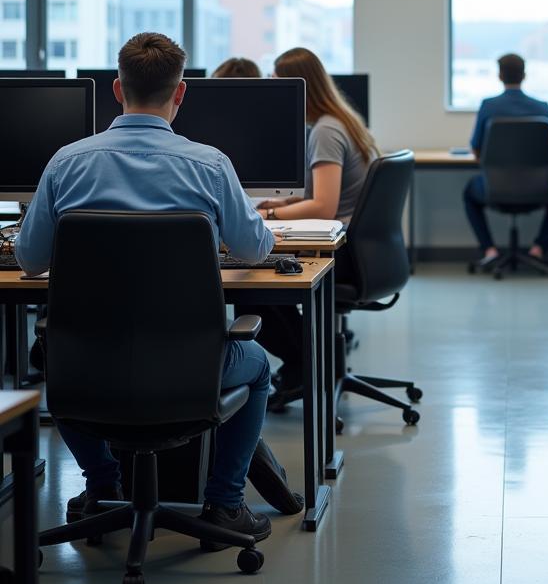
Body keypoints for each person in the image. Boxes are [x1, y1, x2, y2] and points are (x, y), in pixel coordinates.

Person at [15, 33, 275, 545]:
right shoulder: (210, 165)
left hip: (89, 364)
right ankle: (224, 504)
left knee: (49, 352)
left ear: (117, 89)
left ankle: (102, 486)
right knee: (260, 365)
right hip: (191, 368)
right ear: (180, 94)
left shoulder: (66, 162)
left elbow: (29, 260)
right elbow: (255, 251)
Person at [237, 46, 378, 408]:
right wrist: (281, 204)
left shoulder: (326, 132)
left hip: (344, 253)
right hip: (361, 248)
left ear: (299, 89)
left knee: (251, 286)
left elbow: (324, 206)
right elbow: (321, 195)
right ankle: (311, 361)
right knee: (259, 278)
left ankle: (307, 363)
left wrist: (266, 217)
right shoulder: (338, 119)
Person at [464, 53, 548, 269]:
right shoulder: (543, 108)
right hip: (539, 190)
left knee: (469, 192)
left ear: (500, 75)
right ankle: (539, 249)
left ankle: (489, 250)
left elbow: (476, 149)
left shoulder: (488, 106)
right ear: (525, 75)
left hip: (494, 189)